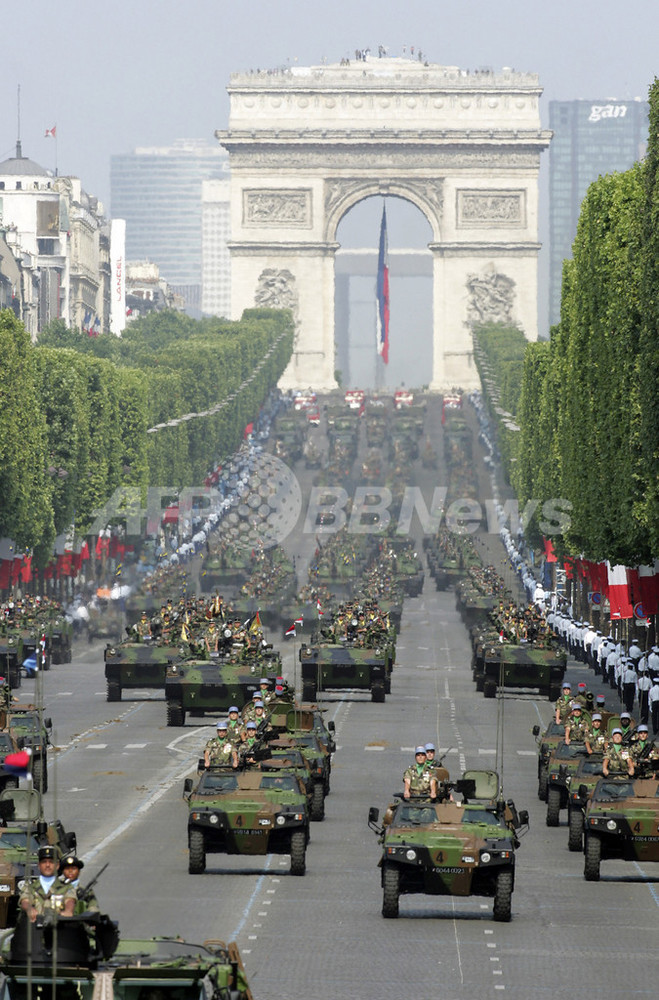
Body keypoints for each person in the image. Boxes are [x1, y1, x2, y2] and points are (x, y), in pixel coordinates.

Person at [19, 846, 76, 921]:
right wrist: (29, 909)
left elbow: (70, 900)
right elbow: (25, 900)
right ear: (39, 865)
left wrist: (68, 911)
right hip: (36, 928)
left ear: (57, 865)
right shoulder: (31, 887)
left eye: (51, 862)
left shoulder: (66, 886)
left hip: (59, 928)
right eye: (44, 862)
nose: (47, 865)